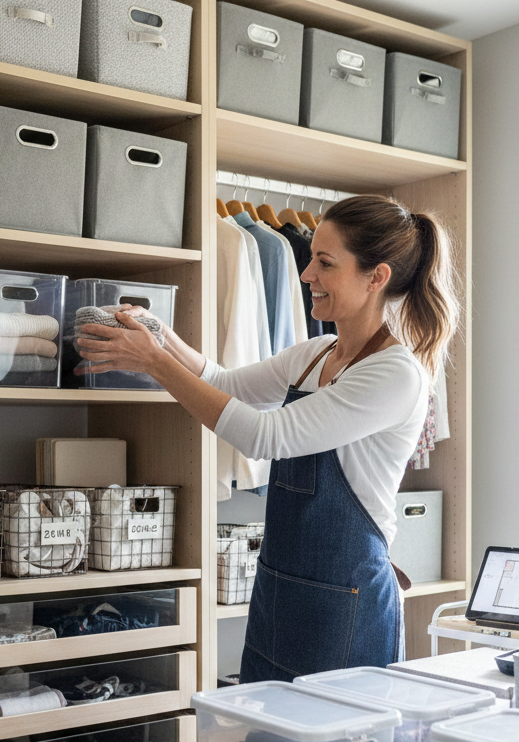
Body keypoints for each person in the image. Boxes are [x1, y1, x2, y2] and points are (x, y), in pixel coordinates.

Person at [76, 195, 460, 682]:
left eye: (325, 263)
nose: (306, 274)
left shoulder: (394, 373)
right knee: (262, 730)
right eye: (310, 259)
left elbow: (265, 436)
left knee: (337, 731)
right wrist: (160, 335)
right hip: (279, 591)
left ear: (376, 277)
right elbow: (224, 382)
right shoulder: (318, 353)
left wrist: (154, 362)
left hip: (346, 605)